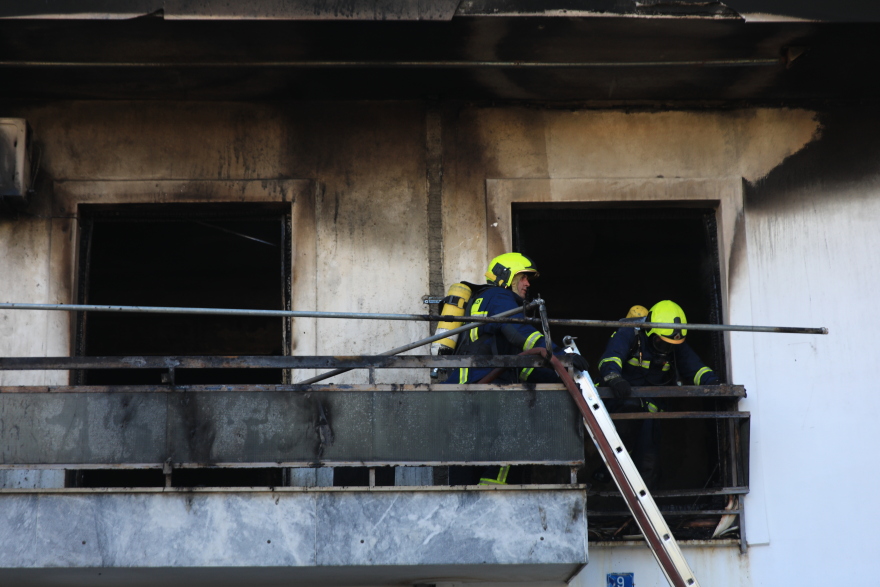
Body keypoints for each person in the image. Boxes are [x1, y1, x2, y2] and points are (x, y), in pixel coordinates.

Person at [444, 252, 588, 486]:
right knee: (509, 444)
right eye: (523, 277)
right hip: (486, 389)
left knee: (466, 458)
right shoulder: (500, 296)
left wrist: (562, 377)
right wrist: (560, 356)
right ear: (506, 276)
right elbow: (520, 333)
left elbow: (521, 365)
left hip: (465, 392)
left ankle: (464, 502)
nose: (527, 284)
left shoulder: (482, 300)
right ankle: (493, 498)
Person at [595, 300, 719, 487]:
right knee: (623, 440)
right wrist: (615, 378)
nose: (666, 350)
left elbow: (695, 368)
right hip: (619, 405)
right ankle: (609, 469)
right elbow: (610, 358)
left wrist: (715, 384)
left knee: (649, 463)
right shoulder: (629, 333)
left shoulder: (672, 342)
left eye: (670, 345)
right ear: (649, 331)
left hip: (649, 414)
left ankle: (640, 502)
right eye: (661, 343)